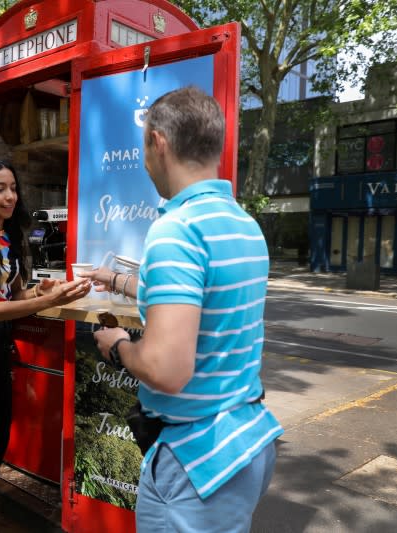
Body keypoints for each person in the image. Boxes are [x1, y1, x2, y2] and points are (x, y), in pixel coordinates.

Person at [81, 86, 283, 532]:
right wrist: (115, 280)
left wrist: (117, 347)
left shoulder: (177, 230)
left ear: (158, 142)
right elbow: (201, 297)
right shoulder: (243, 225)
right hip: (245, 441)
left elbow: (166, 369)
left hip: (195, 462)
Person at [0, 158, 90, 533]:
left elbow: (11, 293)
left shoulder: (6, 237)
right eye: (0, 189)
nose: (10, 196)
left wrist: (42, 291)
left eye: (13, 188)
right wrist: (45, 303)